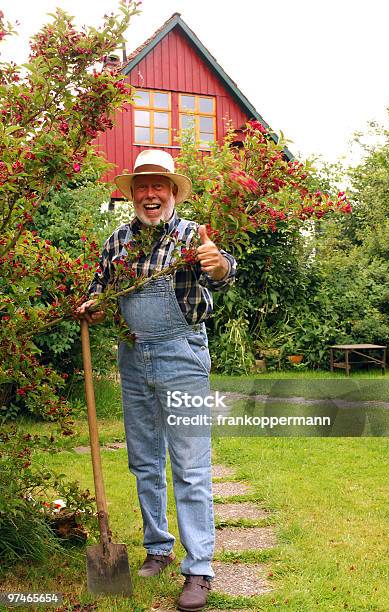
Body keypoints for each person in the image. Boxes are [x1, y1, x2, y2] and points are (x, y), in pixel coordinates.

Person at [76, 149, 237, 611]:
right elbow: (99, 287)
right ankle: (158, 547)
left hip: (181, 355)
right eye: (142, 186)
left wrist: (219, 264)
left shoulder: (191, 236)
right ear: (132, 195)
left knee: (189, 465)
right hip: (132, 357)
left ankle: (199, 568)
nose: (151, 194)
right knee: (144, 459)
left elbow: (223, 268)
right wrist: (92, 304)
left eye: (159, 186)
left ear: (171, 193)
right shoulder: (117, 242)